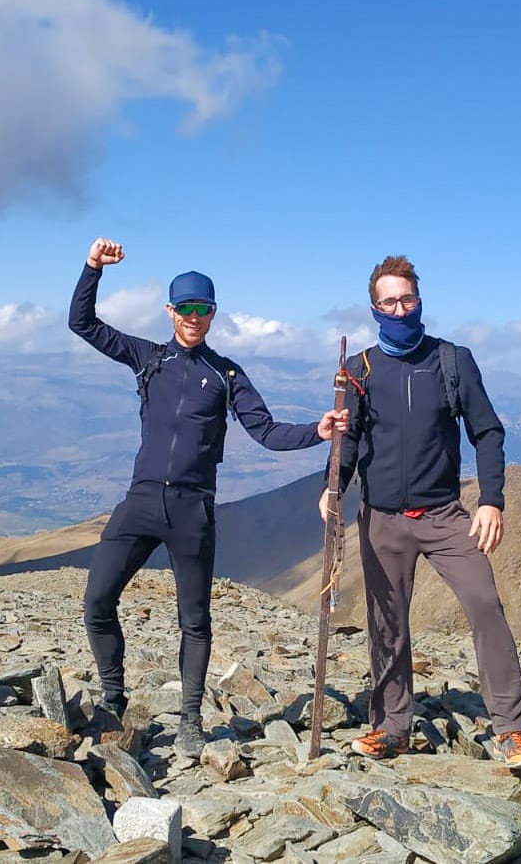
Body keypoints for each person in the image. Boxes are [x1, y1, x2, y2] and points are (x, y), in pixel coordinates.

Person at [71, 236, 348, 758]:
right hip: (141, 500)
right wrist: (92, 269)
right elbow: (82, 323)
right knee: (97, 601)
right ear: (170, 311)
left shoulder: (226, 374)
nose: (195, 318)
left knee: (195, 620)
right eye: (186, 309)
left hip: (193, 508)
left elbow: (264, 431)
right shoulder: (147, 358)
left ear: (214, 315)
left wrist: (319, 429)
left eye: (204, 310)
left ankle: (191, 721)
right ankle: (113, 698)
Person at [321, 254, 521, 770]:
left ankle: (511, 731)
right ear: (374, 308)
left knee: (485, 603)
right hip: (381, 520)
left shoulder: (452, 360)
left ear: (420, 300)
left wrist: (491, 500)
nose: (400, 308)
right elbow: (348, 443)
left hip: (444, 515)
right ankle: (392, 727)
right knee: (386, 624)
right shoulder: (360, 369)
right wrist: (335, 488)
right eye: (389, 302)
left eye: (407, 299)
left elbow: (487, 431)